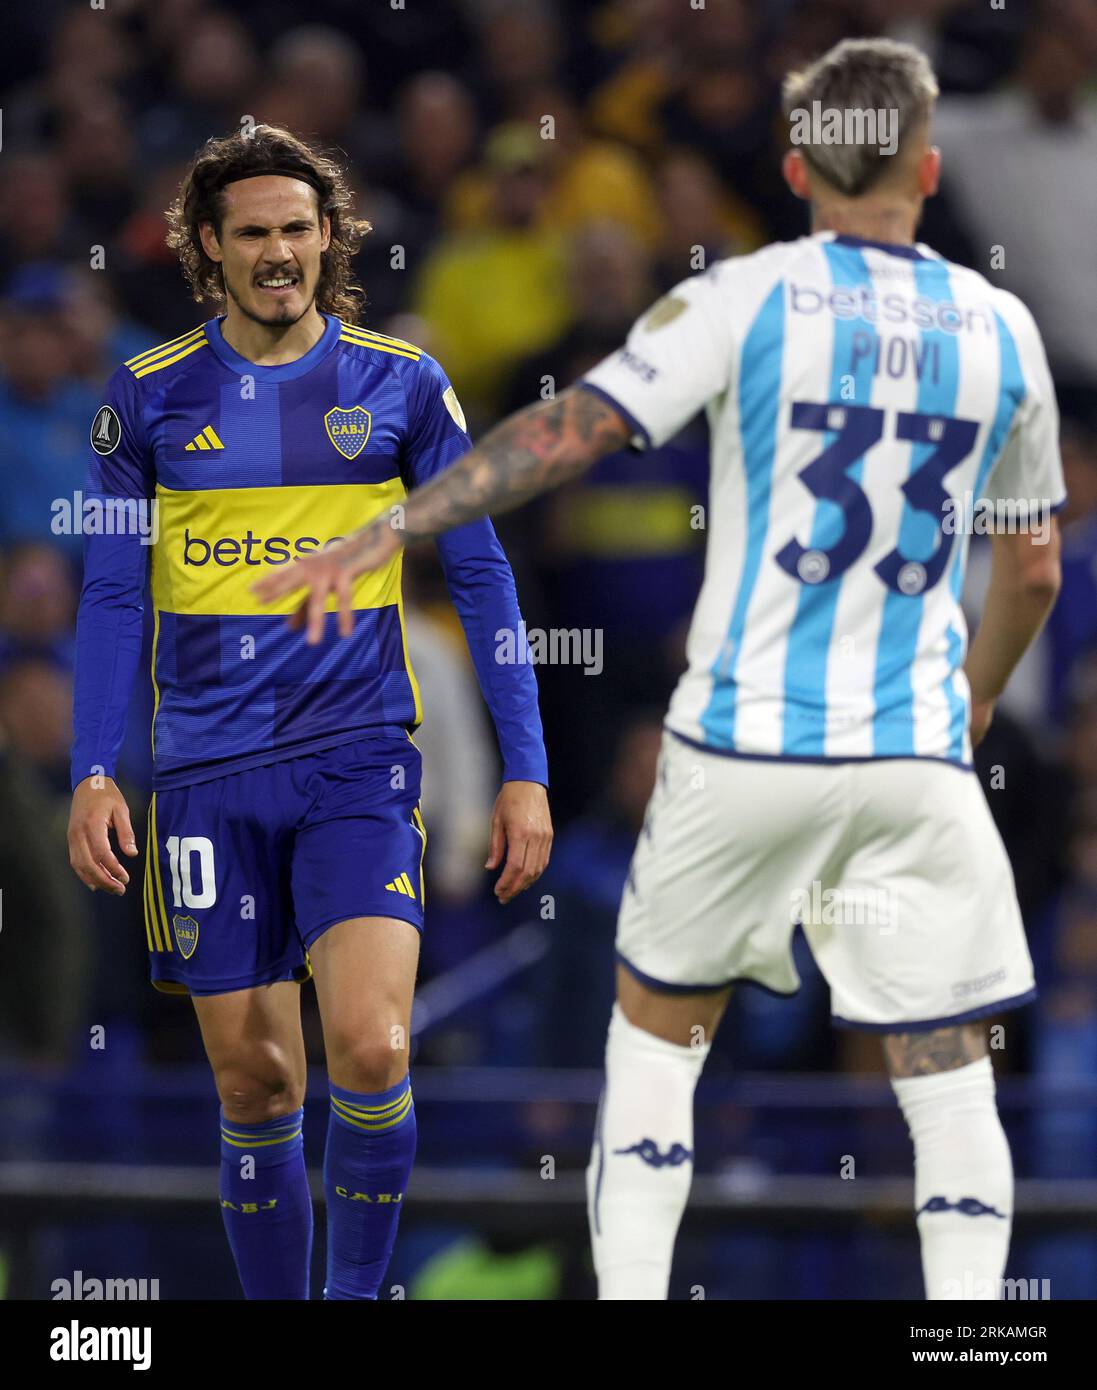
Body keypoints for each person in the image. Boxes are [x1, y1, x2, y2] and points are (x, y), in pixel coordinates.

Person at [253, 41, 1064, 1302]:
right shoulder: (1001, 326)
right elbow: (1031, 576)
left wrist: (392, 524)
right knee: (948, 1077)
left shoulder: (745, 298)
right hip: (910, 751)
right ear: (927, 164)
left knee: (652, 1058)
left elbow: (567, 431)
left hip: (739, 746)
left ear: (795, 169)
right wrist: (970, 698)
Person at [66, 125, 552, 1301]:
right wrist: (92, 768)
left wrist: (525, 767)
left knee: (375, 1047)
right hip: (203, 781)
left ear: (329, 238)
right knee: (256, 1086)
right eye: (253, 234)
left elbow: (481, 573)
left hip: (356, 764)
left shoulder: (401, 382)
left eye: (297, 228)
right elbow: (114, 592)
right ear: (209, 251)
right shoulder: (146, 398)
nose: (278, 252)